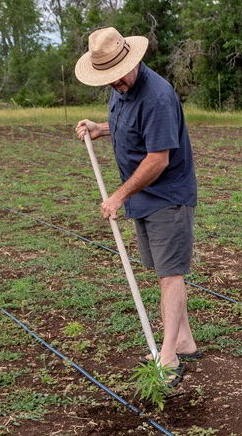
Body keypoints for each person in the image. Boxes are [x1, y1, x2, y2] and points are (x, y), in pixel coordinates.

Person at [73, 27, 200, 387]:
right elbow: (129, 124)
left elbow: (157, 159)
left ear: (133, 60)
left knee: (170, 275)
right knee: (162, 269)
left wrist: (119, 195)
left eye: (118, 76)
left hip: (167, 195)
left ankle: (170, 357)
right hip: (143, 195)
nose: (116, 84)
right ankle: (184, 340)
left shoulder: (157, 95)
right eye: (108, 79)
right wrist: (100, 128)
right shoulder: (120, 88)